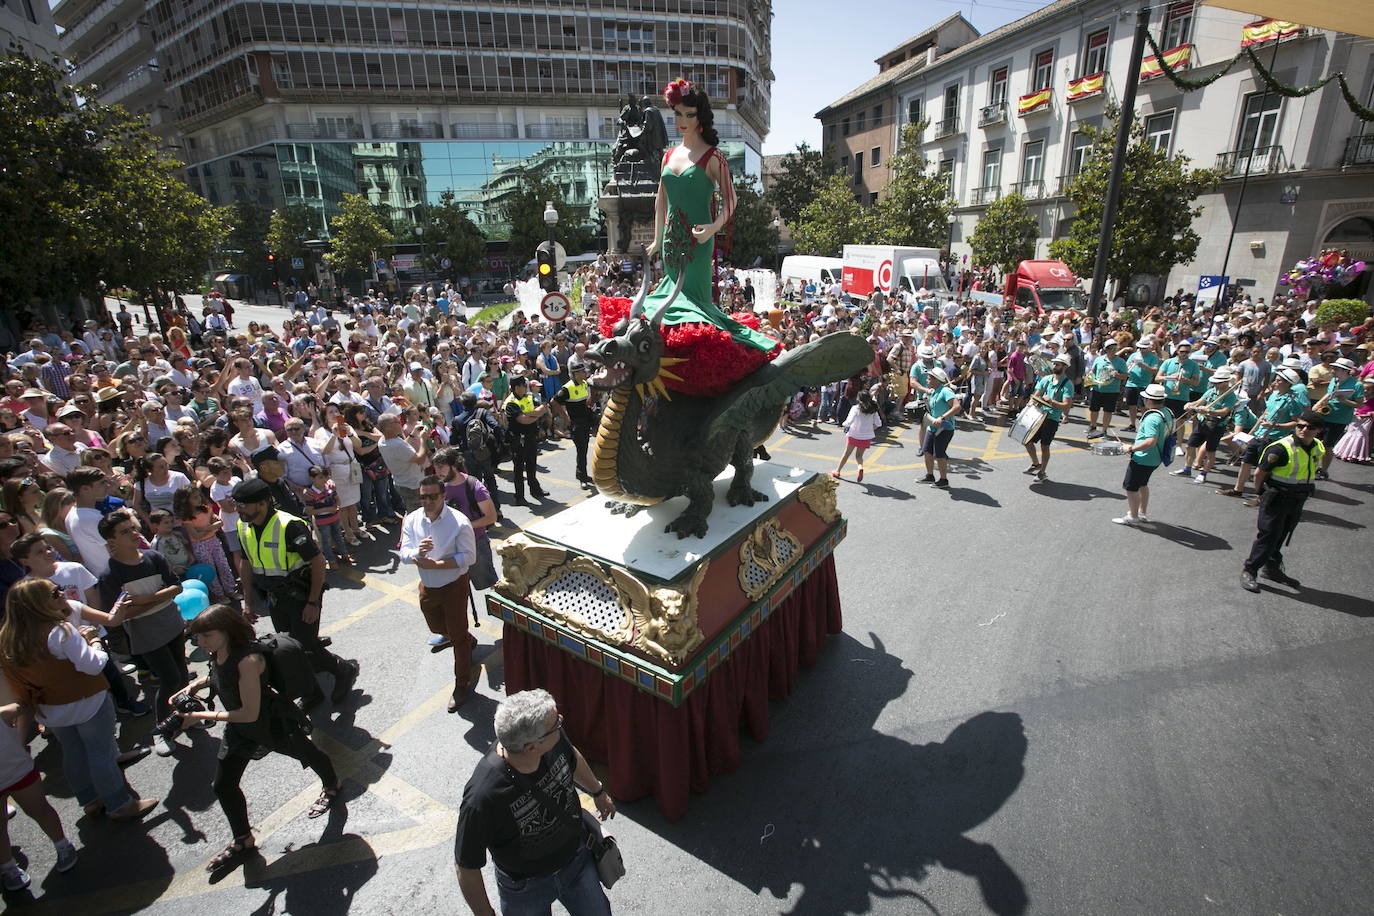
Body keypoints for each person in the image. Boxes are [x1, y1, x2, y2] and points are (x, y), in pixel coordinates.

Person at [176, 604, 343, 872]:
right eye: (197, 636)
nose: (200, 642)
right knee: (223, 785)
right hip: (240, 729)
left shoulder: (249, 661)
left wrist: (200, 716)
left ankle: (332, 783)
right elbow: (221, 675)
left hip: (272, 723)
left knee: (308, 754)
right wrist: (196, 684)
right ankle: (243, 839)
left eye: (206, 635)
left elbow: (249, 713)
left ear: (227, 631)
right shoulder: (217, 651)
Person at [641, 79, 777, 392]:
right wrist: (658, 238)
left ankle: (702, 366)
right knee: (667, 302)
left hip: (699, 242)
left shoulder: (713, 157)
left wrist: (714, 228)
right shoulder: (668, 155)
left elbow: (731, 200)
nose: (682, 121)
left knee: (695, 304)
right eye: (678, 114)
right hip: (672, 242)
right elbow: (661, 200)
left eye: (688, 114)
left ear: (699, 117)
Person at [0, 578, 158, 822]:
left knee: (73, 752)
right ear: (37, 603)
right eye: (55, 593)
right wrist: (94, 640)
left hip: (50, 710)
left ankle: (90, 800)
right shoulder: (60, 631)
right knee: (101, 753)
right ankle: (119, 804)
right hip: (87, 703)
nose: (62, 593)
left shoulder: (8, 639)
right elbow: (93, 665)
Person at [455, 689, 616, 916]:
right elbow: (466, 866)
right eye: (556, 723)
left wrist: (597, 791)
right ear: (532, 747)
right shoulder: (482, 797)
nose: (561, 722)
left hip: (576, 862)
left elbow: (570, 755)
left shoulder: (552, 739)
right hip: (524, 889)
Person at [233, 478, 359, 710]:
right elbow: (246, 563)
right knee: (287, 646)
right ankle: (312, 693)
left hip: (301, 595)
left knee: (306, 645)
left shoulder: (289, 526)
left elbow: (318, 562)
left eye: (243, 505)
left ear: (262, 503)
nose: (238, 510)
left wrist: (313, 602)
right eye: (236, 504)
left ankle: (343, 670)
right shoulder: (244, 526)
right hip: (274, 596)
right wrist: (248, 603)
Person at [95, 510, 189, 756]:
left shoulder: (153, 557)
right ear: (112, 541)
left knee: (182, 674)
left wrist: (145, 599)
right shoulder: (110, 575)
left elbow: (176, 587)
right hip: (146, 635)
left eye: (133, 528)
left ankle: (187, 716)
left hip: (172, 624)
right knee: (170, 679)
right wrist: (157, 598)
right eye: (125, 532)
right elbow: (120, 615)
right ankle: (162, 729)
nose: (134, 534)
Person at [399, 475, 477, 712]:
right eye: (423, 497)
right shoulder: (412, 519)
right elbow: (403, 553)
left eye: (433, 496)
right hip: (428, 586)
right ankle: (465, 639)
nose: (427, 501)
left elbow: (469, 557)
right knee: (437, 627)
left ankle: (462, 683)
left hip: (454, 585)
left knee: (457, 636)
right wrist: (417, 554)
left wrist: (439, 565)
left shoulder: (459, 522)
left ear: (443, 495)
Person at [0, 680, 80, 890]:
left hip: (17, 770)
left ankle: (62, 845)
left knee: (39, 809)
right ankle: (8, 868)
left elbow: (24, 705)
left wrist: (19, 738)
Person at [1240, 410, 1326, 592]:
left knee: (1282, 535)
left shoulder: (1317, 446)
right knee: (1269, 535)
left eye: (1309, 427)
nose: (1303, 430)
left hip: (1298, 498)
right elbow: (1259, 473)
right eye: (1300, 425)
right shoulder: (1280, 448)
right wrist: (1261, 493)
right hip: (1277, 497)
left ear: (1318, 430)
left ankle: (1271, 569)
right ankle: (1250, 570)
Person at [1113, 384, 1173, 526]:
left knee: (1131, 487)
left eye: (1145, 399)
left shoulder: (1152, 418)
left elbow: (1150, 441)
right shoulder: (1167, 412)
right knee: (1143, 484)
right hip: (1155, 458)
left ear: (1149, 400)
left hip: (1143, 458)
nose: (1143, 401)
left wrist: (1131, 448)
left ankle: (1133, 516)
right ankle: (1141, 512)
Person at [1173, 369, 1238, 485]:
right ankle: (1187, 469)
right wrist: (1190, 404)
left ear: (1226, 382)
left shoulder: (1230, 395)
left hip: (1216, 425)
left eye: (1218, 383)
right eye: (1214, 382)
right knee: (1190, 445)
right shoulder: (1212, 390)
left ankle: (1203, 474)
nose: (1215, 384)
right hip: (1203, 422)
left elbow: (1224, 411)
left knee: (1210, 451)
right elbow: (1200, 401)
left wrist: (1208, 411)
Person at [1024, 353, 1074, 482]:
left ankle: (1042, 472)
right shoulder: (1046, 379)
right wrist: (1028, 407)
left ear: (1064, 367)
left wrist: (1052, 402)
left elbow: (1066, 406)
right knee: (1027, 440)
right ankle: (1036, 463)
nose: (1054, 366)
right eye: (1054, 364)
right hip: (1039, 415)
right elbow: (1035, 396)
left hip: (1052, 418)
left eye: (1057, 364)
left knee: (1044, 446)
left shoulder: (1068, 384)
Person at [503, 376, 547, 505]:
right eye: (524, 385)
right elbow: (523, 420)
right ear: (516, 387)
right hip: (518, 439)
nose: (526, 387)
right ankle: (519, 497)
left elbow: (542, 409)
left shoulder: (529, 397)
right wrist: (534, 414)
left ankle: (535, 490)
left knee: (532, 464)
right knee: (519, 469)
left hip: (530, 436)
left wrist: (529, 414)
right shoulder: (511, 403)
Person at [553, 360, 596, 489]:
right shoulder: (567, 388)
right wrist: (565, 417)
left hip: (585, 421)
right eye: (582, 372)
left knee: (584, 449)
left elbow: (585, 401)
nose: (584, 374)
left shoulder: (584, 384)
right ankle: (582, 477)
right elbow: (554, 401)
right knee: (581, 450)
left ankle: (583, 474)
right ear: (575, 374)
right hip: (576, 423)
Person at [1316, 358, 1361, 479]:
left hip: (1339, 419)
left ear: (1345, 371)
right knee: (1316, 443)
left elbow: (1359, 404)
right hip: (1325, 415)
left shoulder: (1357, 385)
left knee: (1327, 446)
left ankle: (1323, 471)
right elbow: (1329, 394)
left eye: (1336, 369)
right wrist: (1318, 404)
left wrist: (1344, 400)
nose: (1333, 371)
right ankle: (1314, 467)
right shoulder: (1334, 380)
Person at [918, 367, 961, 489]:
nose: (927, 380)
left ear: (937, 380)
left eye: (929, 378)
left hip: (945, 428)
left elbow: (957, 407)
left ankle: (943, 480)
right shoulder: (934, 391)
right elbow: (933, 409)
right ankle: (930, 475)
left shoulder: (945, 391)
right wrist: (926, 401)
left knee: (939, 454)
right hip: (932, 427)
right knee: (927, 451)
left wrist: (942, 418)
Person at [832, 390, 882, 482]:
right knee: (859, 456)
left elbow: (849, 422)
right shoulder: (873, 410)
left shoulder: (855, 408)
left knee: (846, 454)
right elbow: (878, 423)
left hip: (854, 435)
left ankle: (837, 471)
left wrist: (843, 424)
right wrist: (870, 430)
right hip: (866, 437)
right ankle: (860, 467)